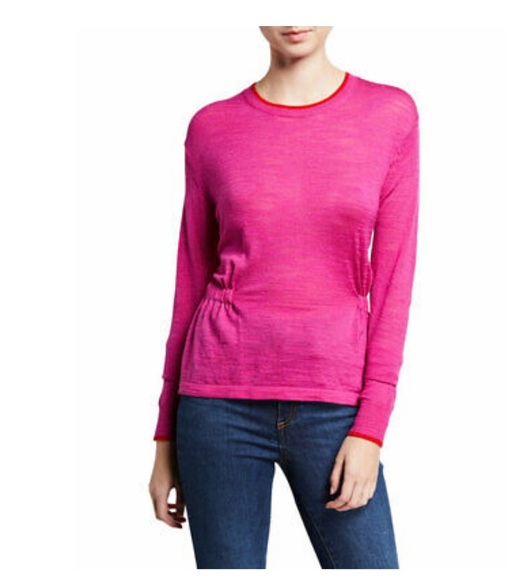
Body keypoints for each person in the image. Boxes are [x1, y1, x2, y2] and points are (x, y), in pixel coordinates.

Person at [148, 26, 420, 569]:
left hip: (335, 403)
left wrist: (371, 427)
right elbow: (191, 279)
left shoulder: (389, 116)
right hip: (216, 402)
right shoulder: (212, 127)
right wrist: (164, 437)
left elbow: (394, 281)